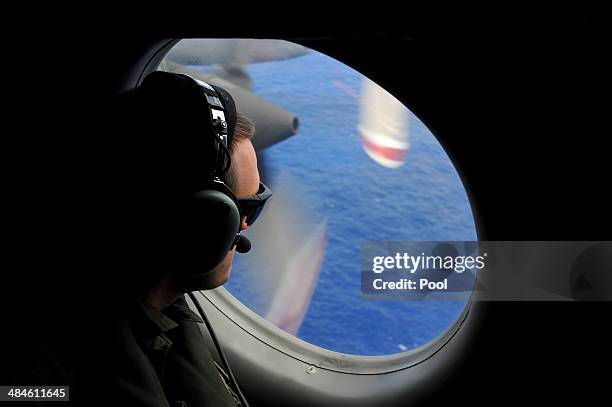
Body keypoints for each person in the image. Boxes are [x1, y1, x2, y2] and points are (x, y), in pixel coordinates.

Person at [1, 71, 269, 407]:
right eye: (244, 209)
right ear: (202, 218)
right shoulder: (33, 374)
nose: (244, 227)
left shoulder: (165, 319)